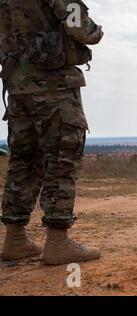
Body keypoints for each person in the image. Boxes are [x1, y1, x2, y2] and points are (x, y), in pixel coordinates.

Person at [0, 0, 103, 265]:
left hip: (17, 88)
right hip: (53, 88)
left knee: (24, 160)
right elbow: (84, 30)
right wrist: (96, 30)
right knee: (61, 159)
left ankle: (15, 239)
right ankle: (58, 243)